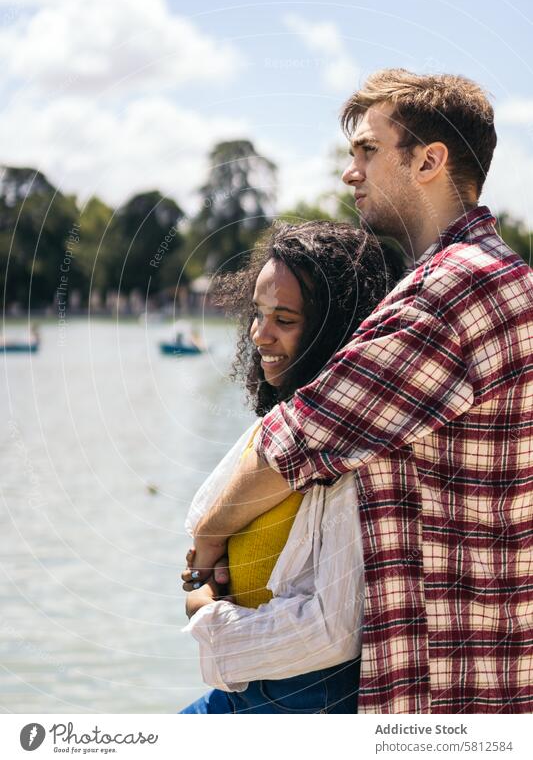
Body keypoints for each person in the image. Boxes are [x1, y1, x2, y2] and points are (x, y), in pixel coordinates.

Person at [183, 69, 533, 714]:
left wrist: (206, 539)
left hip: (446, 677)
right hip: (478, 664)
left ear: (430, 160)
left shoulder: (454, 290)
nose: (351, 172)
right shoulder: (497, 274)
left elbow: (300, 439)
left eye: (368, 150)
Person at [180, 221, 403, 713]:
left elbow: (329, 633)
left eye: (284, 319)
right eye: (257, 314)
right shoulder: (275, 428)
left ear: (334, 328)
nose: (260, 334)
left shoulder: (351, 461)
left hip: (307, 699)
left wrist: (209, 619)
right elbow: (203, 538)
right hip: (257, 691)